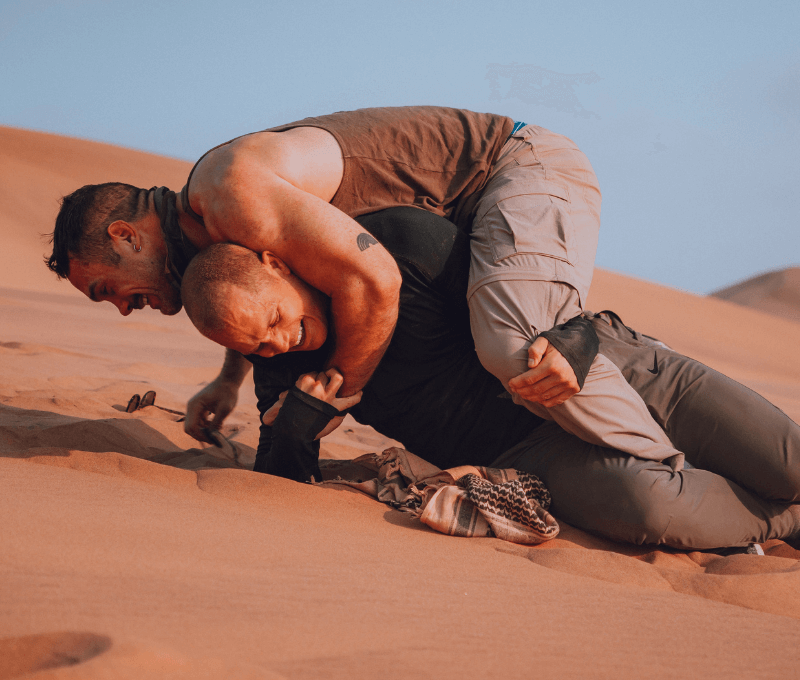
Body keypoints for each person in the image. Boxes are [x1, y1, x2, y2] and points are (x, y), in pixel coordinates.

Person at [48, 107, 676, 465]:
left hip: (513, 169)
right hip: (461, 226)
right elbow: (254, 296)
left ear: (128, 237)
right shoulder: (209, 226)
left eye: (107, 290)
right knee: (514, 355)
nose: (125, 311)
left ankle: (667, 471)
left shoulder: (229, 194)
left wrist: (333, 398)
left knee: (512, 348)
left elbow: (375, 278)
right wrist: (229, 379)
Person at [180, 207, 800, 551]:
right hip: (527, 451)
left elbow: (529, 278)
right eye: (256, 346)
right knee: (648, 506)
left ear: (276, 263)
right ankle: (788, 522)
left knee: (789, 462)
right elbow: (279, 479)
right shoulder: (281, 362)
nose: (280, 343)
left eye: (275, 320)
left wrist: (575, 338)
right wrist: (301, 425)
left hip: (605, 364)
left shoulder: (394, 242)